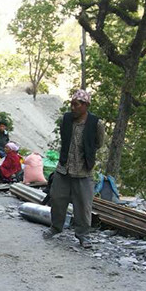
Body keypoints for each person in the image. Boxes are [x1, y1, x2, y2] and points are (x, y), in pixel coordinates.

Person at [44, 89, 105, 248]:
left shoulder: (96, 123)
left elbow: (99, 143)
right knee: (57, 199)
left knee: (83, 206)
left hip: (83, 171)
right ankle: (55, 228)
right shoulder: (66, 120)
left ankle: (83, 236)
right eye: (71, 104)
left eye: (76, 105)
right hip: (64, 168)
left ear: (85, 105)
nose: (72, 107)